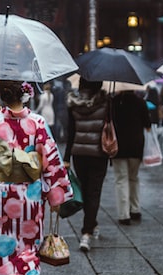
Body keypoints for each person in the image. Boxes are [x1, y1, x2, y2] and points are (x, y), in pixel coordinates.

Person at [0, 80, 72, 275]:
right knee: (29, 246)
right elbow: (52, 160)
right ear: (25, 95)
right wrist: (55, 193)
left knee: (2, 246)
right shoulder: (38, 122)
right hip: (31, 194)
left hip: (3, 194)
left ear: (2, 97)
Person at [64, 77, 111, 252]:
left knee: (85, 190)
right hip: (99, 154)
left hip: (79, 154)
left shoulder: (73, 103)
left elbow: (71, 132)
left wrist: (67, 157)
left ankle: (93, 223)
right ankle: (86, 232)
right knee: (94, 192)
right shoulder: (105, 102)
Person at [111, 90, 151, 225]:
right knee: (134, 178)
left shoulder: (113, 103)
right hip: (136, 146)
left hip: (118, 147)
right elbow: (148, 124)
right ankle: (135, 209)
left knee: (121, 179)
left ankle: (124, 214)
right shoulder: (141, 102)